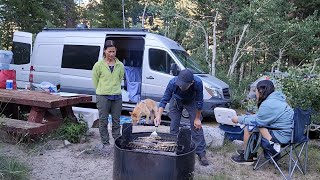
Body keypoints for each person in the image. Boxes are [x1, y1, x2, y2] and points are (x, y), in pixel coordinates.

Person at [231, 80, 294, 165]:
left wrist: (238, 119)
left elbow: (258, 121)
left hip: (281, 136)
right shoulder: (277, 100)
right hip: (289, 133)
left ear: (260, 91)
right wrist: (245, 117)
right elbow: (261, 117)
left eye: (255, 90)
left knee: (249, 128)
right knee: (254, 126)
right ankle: (250, 153)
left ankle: (247, 157)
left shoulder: (268, 103)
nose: (255, 93)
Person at [154, 69, 209, 166]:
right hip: (176, 100)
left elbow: (199, 102)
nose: (180, 86)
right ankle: (174, 148)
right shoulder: (173, 82)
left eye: (183, 85)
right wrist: (158, 116)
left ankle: (201, 153)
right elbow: (164, 100)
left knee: (196, 126)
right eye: (180, 84)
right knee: (174, 124)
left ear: (191, 83)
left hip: (191, 101)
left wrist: (197, 118)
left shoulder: (198, 83)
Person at [92, 40, 124, 148]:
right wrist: (102, 91)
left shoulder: (120, 65)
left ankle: (117, 142)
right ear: (105, 51)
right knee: (103, 121)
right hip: (103, 96)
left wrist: (114, 89)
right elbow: (95, 81)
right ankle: (105, 143)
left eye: (113, 51)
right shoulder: (98, 65)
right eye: (109, 51)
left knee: (116, 120)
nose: (111, 54)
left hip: (117, 96)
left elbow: (120, 79)